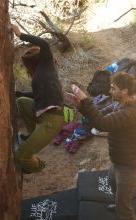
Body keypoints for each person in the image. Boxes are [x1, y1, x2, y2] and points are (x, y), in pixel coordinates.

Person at [66, 72, 136, 220]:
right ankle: (119, 204)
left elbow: (102, 123)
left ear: (124, 91)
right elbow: (99, 115)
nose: (110, 91)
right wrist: (81, 106)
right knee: (112, 183)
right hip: (119, 160)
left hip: (129, 165)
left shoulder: (130, 113)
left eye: (113, 88)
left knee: (125, 209)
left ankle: (123, 212)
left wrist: (86, 101)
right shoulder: (119, 104)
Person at [12, 25, 64, 174]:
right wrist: (18, 93)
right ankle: (32, 133)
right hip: (42, 114)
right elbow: (36, 96)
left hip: (52, 120)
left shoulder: (46, 65)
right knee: (22, 101)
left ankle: (38, 165)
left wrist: (20, 35)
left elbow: (44, 44)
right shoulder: (39, 75)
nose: (25, 67)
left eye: (26, 64)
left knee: (21, 156)